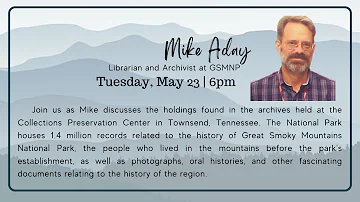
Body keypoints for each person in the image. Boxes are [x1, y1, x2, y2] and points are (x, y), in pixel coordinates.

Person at [250, 16, 335, 101]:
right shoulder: (256, 91)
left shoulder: (330, 90)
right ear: (279, 46)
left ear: (313, 49)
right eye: (292, 43)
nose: (299, 51)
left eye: (306, 44)